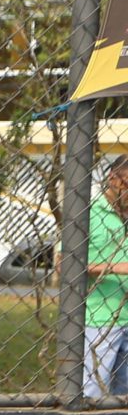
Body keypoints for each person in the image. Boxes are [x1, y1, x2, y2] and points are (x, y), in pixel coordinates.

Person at [84, 158, 128, 400]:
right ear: (114, 180)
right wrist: (116, 268)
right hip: (98, 317)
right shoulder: (88, 212)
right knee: (92, 395)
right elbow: (63, 264)